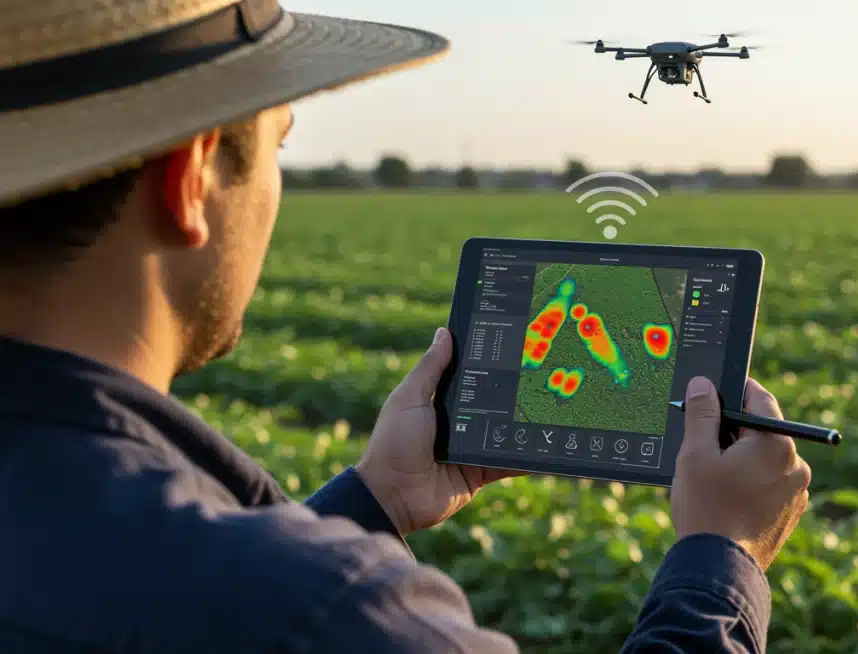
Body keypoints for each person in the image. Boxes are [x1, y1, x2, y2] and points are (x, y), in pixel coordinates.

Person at [0, 1, 813, 652]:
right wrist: (723, 560)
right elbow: (264, 608)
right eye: (280, 144)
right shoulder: (335, 615)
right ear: (190, 179)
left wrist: (375, 499)